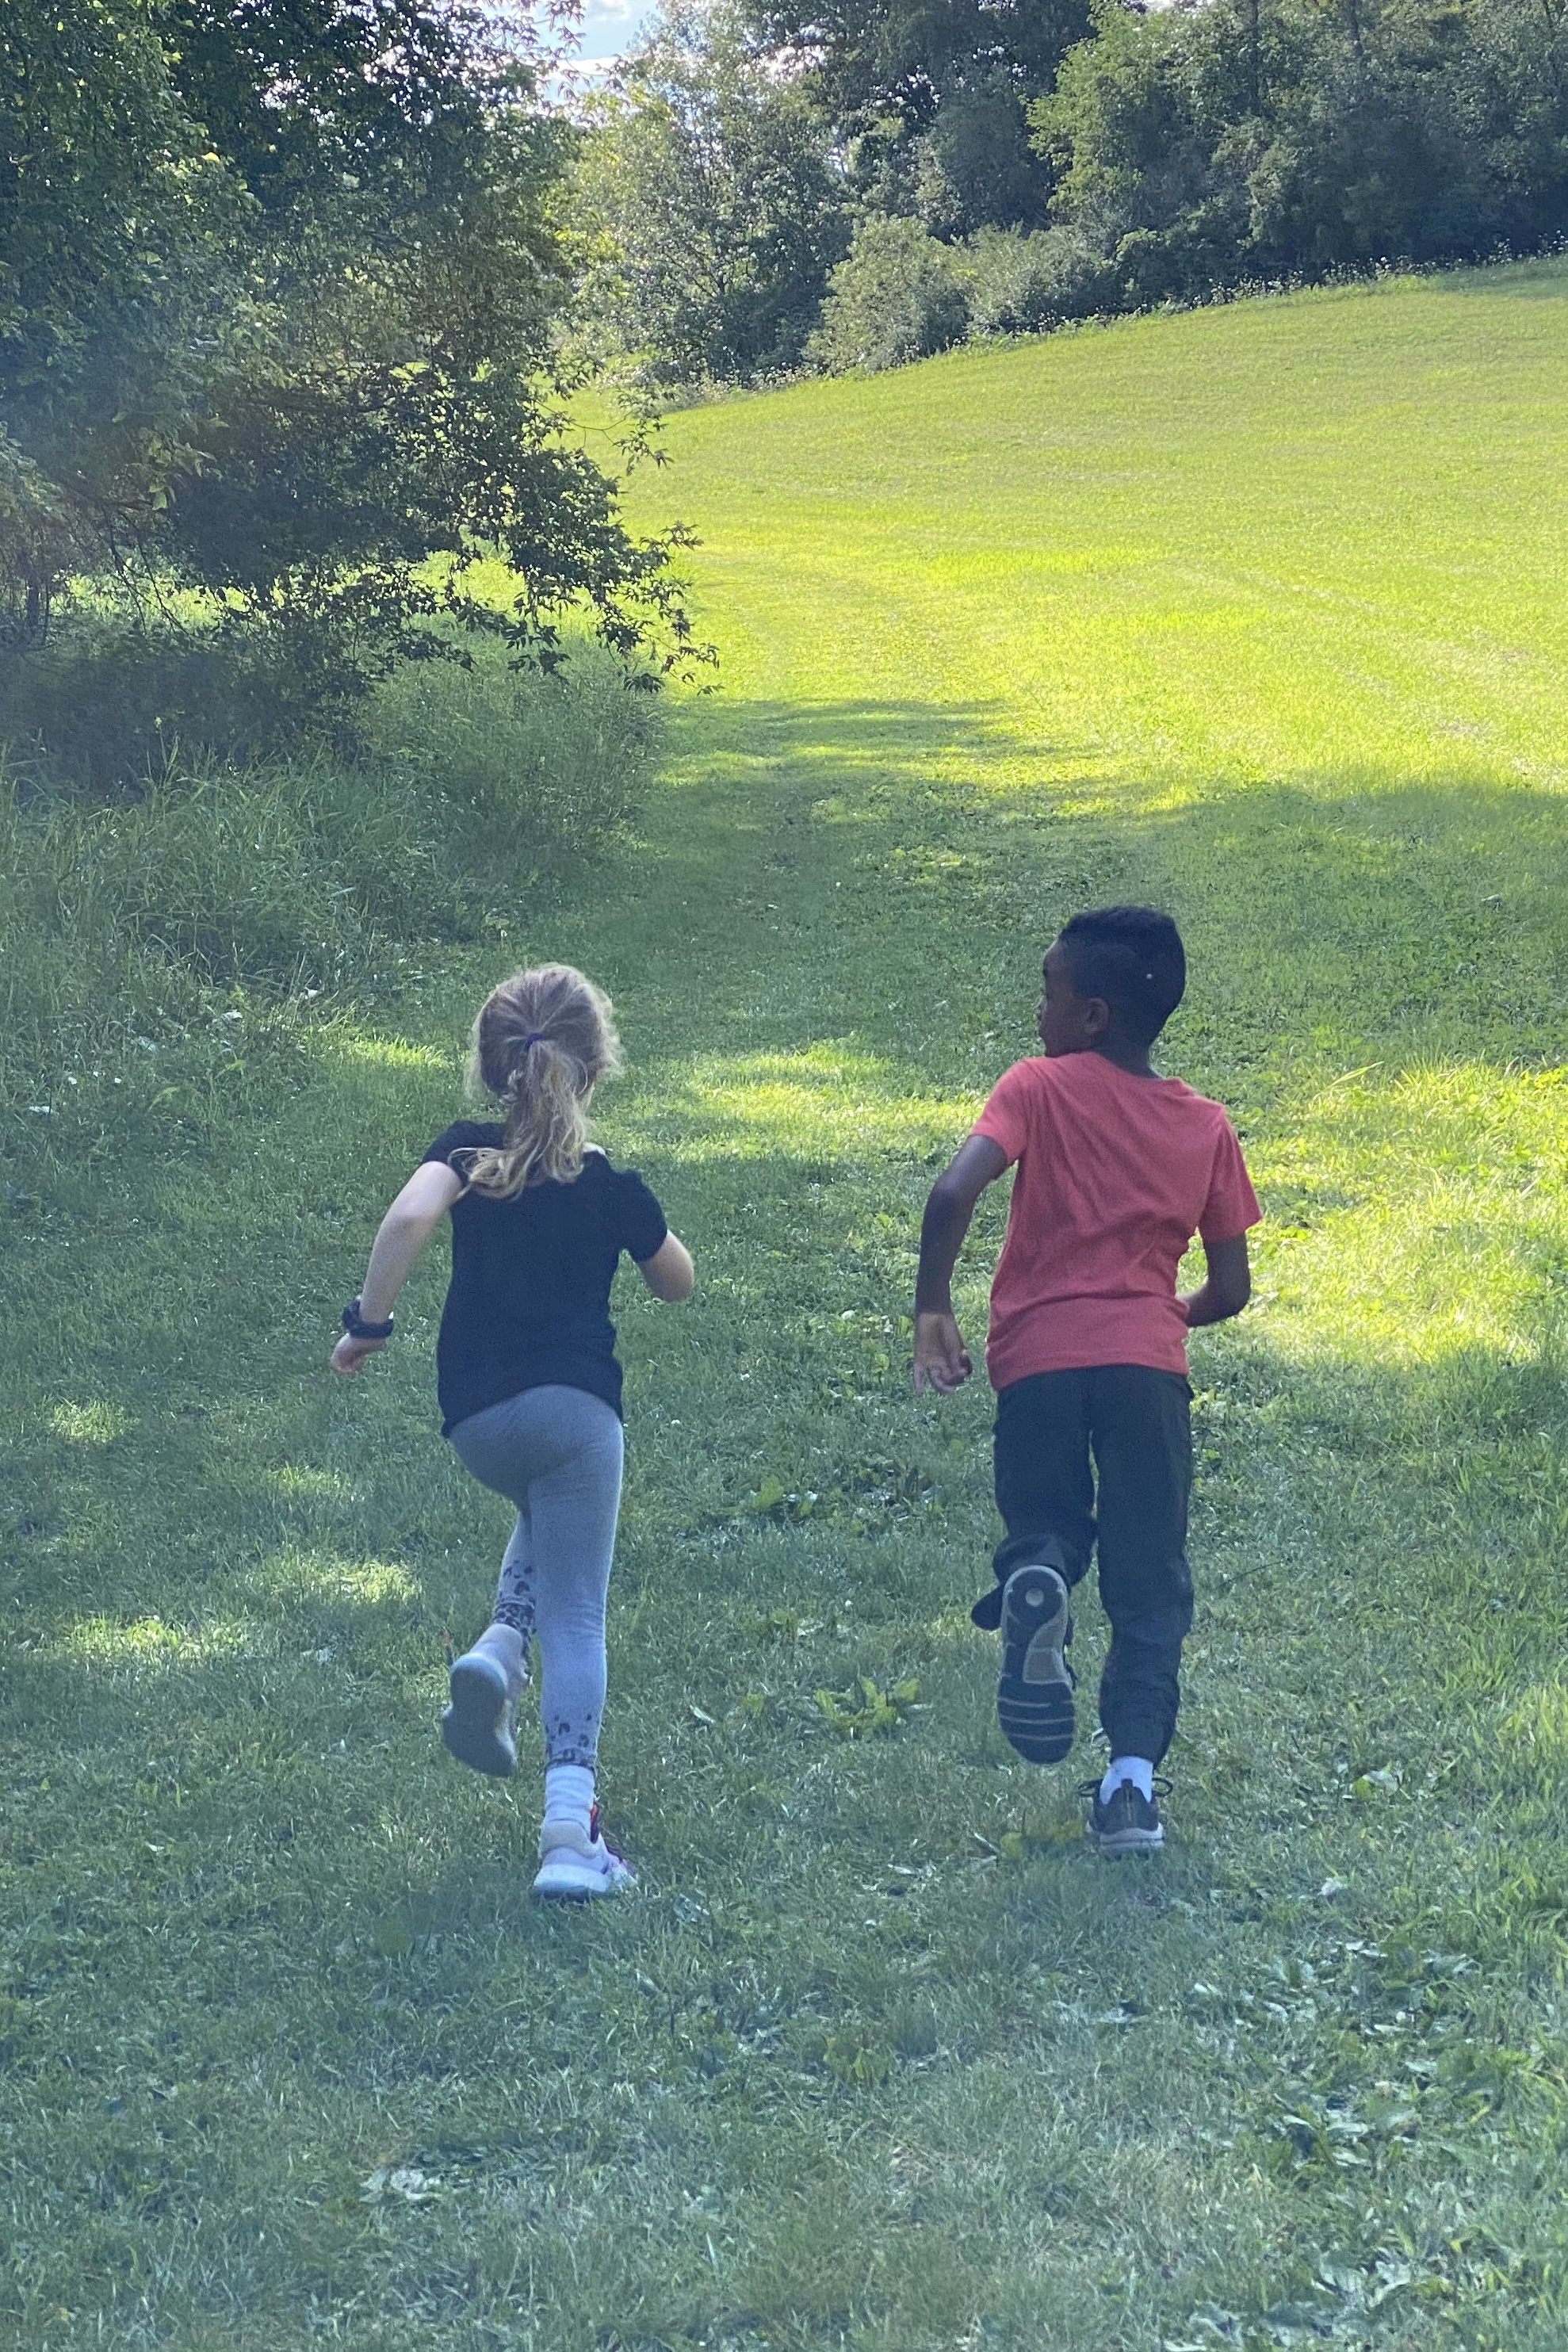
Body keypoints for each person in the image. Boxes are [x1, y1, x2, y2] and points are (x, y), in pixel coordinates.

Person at [331, 963, 694, 1899]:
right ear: (593, 1066)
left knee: (545, 1510)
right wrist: (639, 1221)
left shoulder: (464, 1153)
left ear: (495, 1067)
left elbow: (409, 1215)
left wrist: (369, 1324)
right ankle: (570, 1832)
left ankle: (498, 1650)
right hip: (576, 1416)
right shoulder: (609, 1184)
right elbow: (677, 1280)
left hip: (479, 1422)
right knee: (578, 1612)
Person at [912, 907, 1259, 1856]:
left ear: (1092, 1014)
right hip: (1146, 1371)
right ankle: (1131, 1789)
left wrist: (931, 1307)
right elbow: (1232, 1288)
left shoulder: (1035, 1086)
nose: (1038, 1012)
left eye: (1049, 992)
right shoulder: (1204, 1124)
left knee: (1047, 1524)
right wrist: (1157, 1319)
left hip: (1038, 1365)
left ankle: (1037, 1573)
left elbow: (951, 1192)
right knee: (1149, 1585)